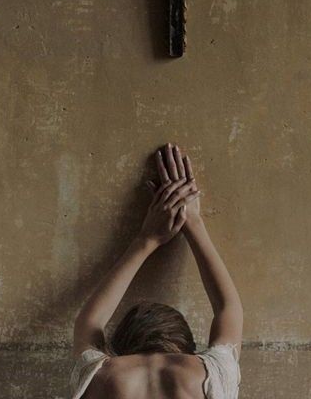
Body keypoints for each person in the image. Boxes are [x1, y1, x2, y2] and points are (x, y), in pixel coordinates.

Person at [69, 143, 243, 399]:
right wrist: (193, 222)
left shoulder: (100, 375)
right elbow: (229, 308)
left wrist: (146, 239)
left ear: (122, 346)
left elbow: (90, 322)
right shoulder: (211, 373)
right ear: (185, 346)